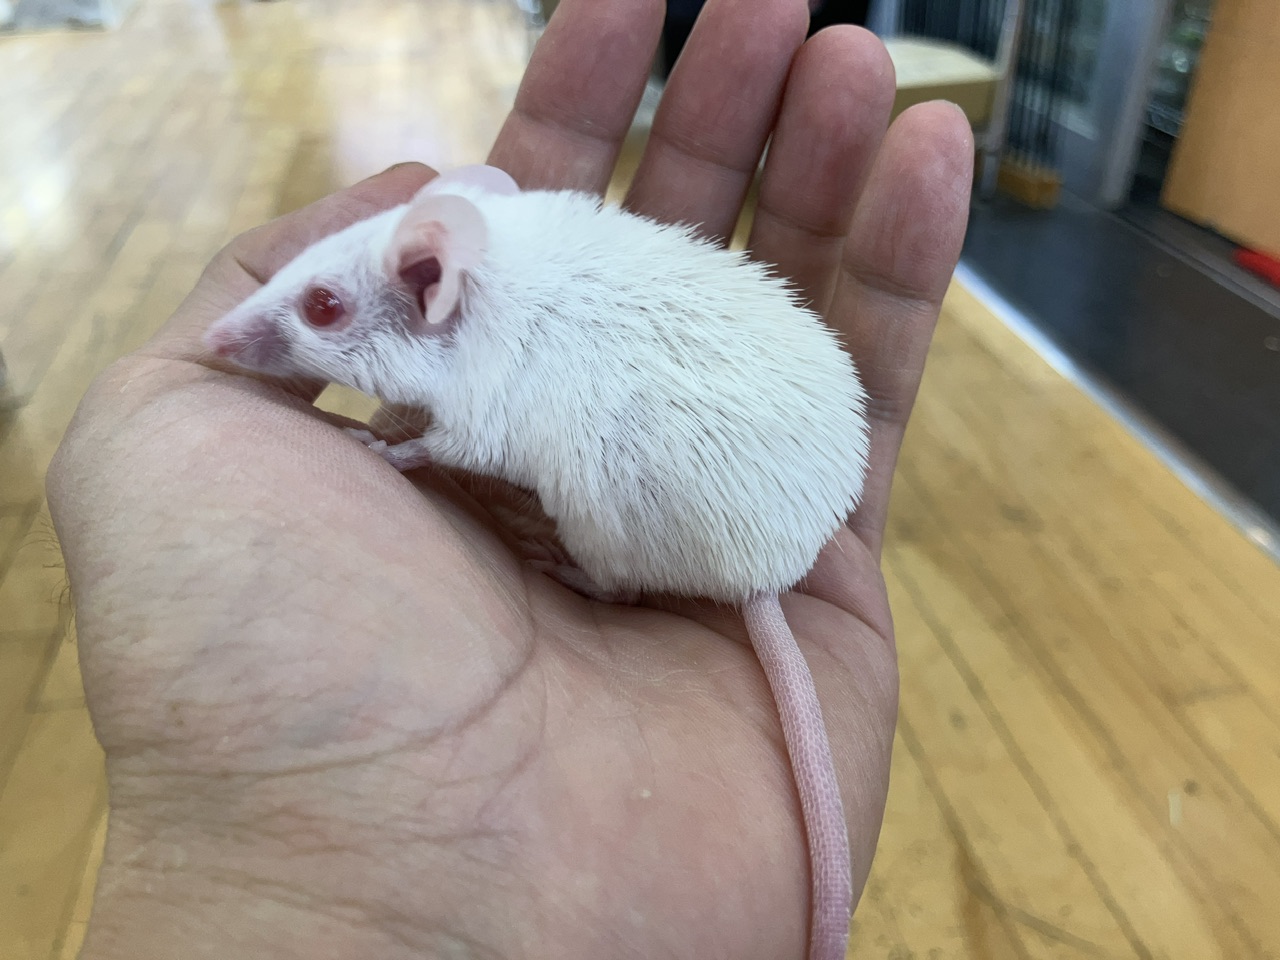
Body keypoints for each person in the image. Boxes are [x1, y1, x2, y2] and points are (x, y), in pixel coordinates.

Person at [46, 0, 972, 956]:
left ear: (431, 288)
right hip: (766, 485)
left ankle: (617, 575)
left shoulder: (491, 302)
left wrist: (412, 450)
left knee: (587, 459)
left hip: (725, 506)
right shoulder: (506, 246)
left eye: (321, 309)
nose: (238, 337)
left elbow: (486, 427)